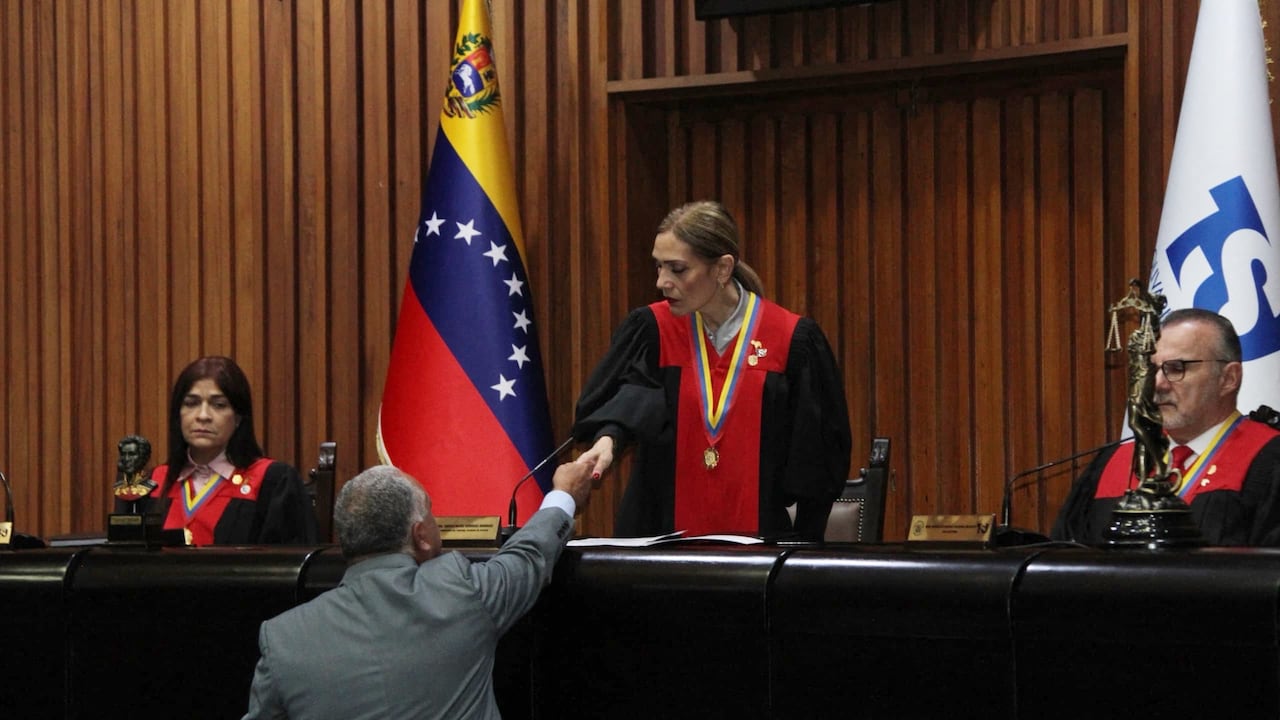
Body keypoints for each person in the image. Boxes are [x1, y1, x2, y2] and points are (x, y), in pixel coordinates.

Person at [573, 200, 851, 540]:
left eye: (677, 269)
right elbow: (630, 398)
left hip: (760, 551)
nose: (662, 281)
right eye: (658, 267)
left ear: (722, 269)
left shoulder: (790, 340)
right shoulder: (653, 331)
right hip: (659, 546)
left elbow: (814, 463)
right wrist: (609, 439)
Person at [242, 461, 594, 720]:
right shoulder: (459, 590)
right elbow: (530, 555)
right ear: (421, 535)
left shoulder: (284, 637)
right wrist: (564, 494)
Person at [1052, 308, 1280, 545]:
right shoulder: (1113, 463)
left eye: (1176, 368)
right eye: (1152, 369)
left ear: (1228, 378)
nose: (1158, 384)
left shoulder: (1269, 463)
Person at [128, 356, 317, 546]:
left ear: (238, 418)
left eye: (219, 405)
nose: (203, 416)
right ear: (178, 414)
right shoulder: (153, 483)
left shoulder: (272, 482)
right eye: (191, 403)